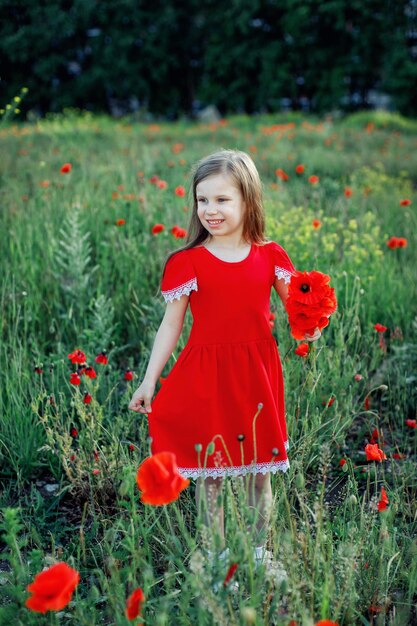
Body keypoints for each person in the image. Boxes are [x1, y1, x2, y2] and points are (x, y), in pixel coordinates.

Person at [128, 149, 321, 568]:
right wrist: (148, 381)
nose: (210, 210)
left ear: (248, 200)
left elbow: (298, 314)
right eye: (202, 200)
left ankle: (256, 554)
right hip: (207, 374)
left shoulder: (271, 256)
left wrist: (311, 323)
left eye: (222, 200)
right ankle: (215, 558)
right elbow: (170, 326)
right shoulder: (187, 262)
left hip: (256, 375)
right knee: (211, 472)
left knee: (259, 469)